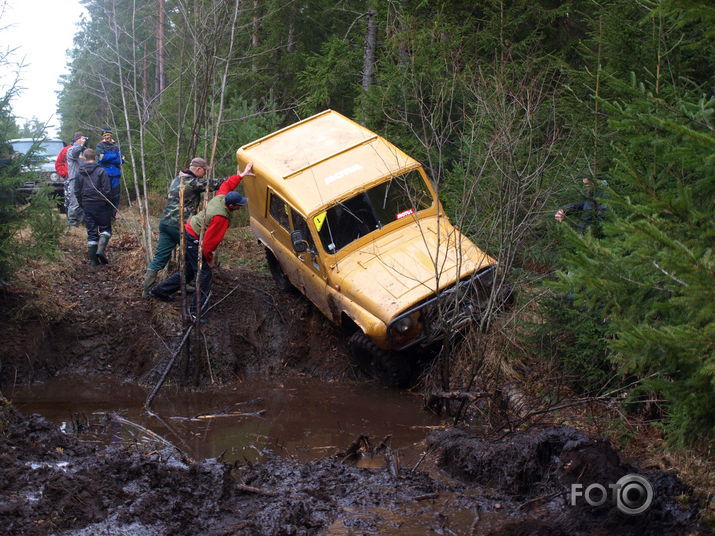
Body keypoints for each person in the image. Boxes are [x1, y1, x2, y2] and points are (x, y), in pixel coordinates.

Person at [141, 157, 253, 297]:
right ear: (199, 170)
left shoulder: (177, 179)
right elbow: (216, 184)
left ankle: (146, 290)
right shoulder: (192, 182)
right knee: (192, 258)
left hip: (165, 223)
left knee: (159, 258)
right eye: (205, 171)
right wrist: (240, 175)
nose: (205, 174)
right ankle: (182, 286)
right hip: (180, 226)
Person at [148, 176, 252, 320]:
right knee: (204, 275)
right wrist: (208, 259)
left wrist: (240, 176)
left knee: (189, 271)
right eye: (239, 205)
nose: (241, 207)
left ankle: (160, 291)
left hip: (188, 232)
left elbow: (226, 184)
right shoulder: (220, 217)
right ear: (232, 206)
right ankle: (195, 312)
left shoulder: (220, 198)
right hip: (195, 240)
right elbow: (208, 244)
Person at [75, 149, 113, 266]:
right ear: (95, 157)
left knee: (91, 232)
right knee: (105, 229)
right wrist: (107, 203)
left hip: (87, 205)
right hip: (101, 204)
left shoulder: (79, 173)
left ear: (85, 158)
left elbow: (77, 191)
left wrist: (82, 204)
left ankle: (93, 261)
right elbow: (107, 190)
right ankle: (100, 250)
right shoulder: (101, 171)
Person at [95, 128, 124, 215]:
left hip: (115, 175)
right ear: (103, 136)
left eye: (108, 135)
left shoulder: (117, 146)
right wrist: (115, 155)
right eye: (105, 135)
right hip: (105, 175)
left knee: (116, 197)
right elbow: (101, 158)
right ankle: (104, 216)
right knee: (104, 196)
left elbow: (122, 159)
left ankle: (113, 216)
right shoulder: (100, 146)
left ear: (111, 135)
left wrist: (109, 158)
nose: (107, 137)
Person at [65, 131, 88, 226]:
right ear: (78, 139)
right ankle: (72, 222)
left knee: (84, 200)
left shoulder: (84, 150)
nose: (84, 140)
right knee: (74, 201)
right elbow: (75, 154)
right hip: (74, 178)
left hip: (84, 178)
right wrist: (81, 145)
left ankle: (82, 220)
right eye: (82, 138)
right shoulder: (71, 150)